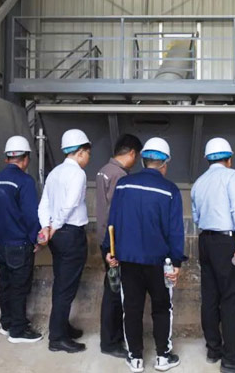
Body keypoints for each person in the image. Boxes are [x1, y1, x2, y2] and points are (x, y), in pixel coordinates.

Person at [103, 137, 186, 373]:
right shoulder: (170, 191)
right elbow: (175, 230)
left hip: (128, 260)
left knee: (131, 309)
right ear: (164, 164)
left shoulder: (124, 185)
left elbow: (113, 221)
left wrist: (109, 250)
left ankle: (135, 358)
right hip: (160, 262)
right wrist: (176, 261)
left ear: (143, 161)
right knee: (162, 308)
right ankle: (163, 357)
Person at [191, 138, 235, 373]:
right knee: (231, 298)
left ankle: (213, 349)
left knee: (210, 296)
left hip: (205, 241)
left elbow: (196, 217)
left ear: (208, 159)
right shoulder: (232, 176)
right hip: (226, 242)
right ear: (229, 159)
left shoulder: (199, 182)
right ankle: (231, 359)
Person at [38, 128, 91, 353]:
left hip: (57, 235)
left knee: (62, 282)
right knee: (66, 287)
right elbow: (70, 205)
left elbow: (44, 204)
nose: (88, 158)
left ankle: (62, 326)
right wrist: (56, 225)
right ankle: (57, 338)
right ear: (80, 152)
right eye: (87, 153)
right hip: (70, 234)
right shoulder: (78, 174)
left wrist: (46, 226)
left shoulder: (54, 172)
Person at [0, 136, 42, 344]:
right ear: (26, 158)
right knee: (20, 287)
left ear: (6, 158)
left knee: (5, 284)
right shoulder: (25, 181)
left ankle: (7, 323)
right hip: (19, 244)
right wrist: (35, 238)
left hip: (1, 243)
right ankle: (18, 330)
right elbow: (31, 215)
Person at [96, 134, 143, 359]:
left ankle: (111, 338)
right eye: (137, 156)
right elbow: (119, 214)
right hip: (115, 243)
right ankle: (111, 341)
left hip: (105, 239)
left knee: (111, 289)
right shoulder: (120, 176)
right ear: (132, 153)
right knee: (115, 293)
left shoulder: (104, 170)